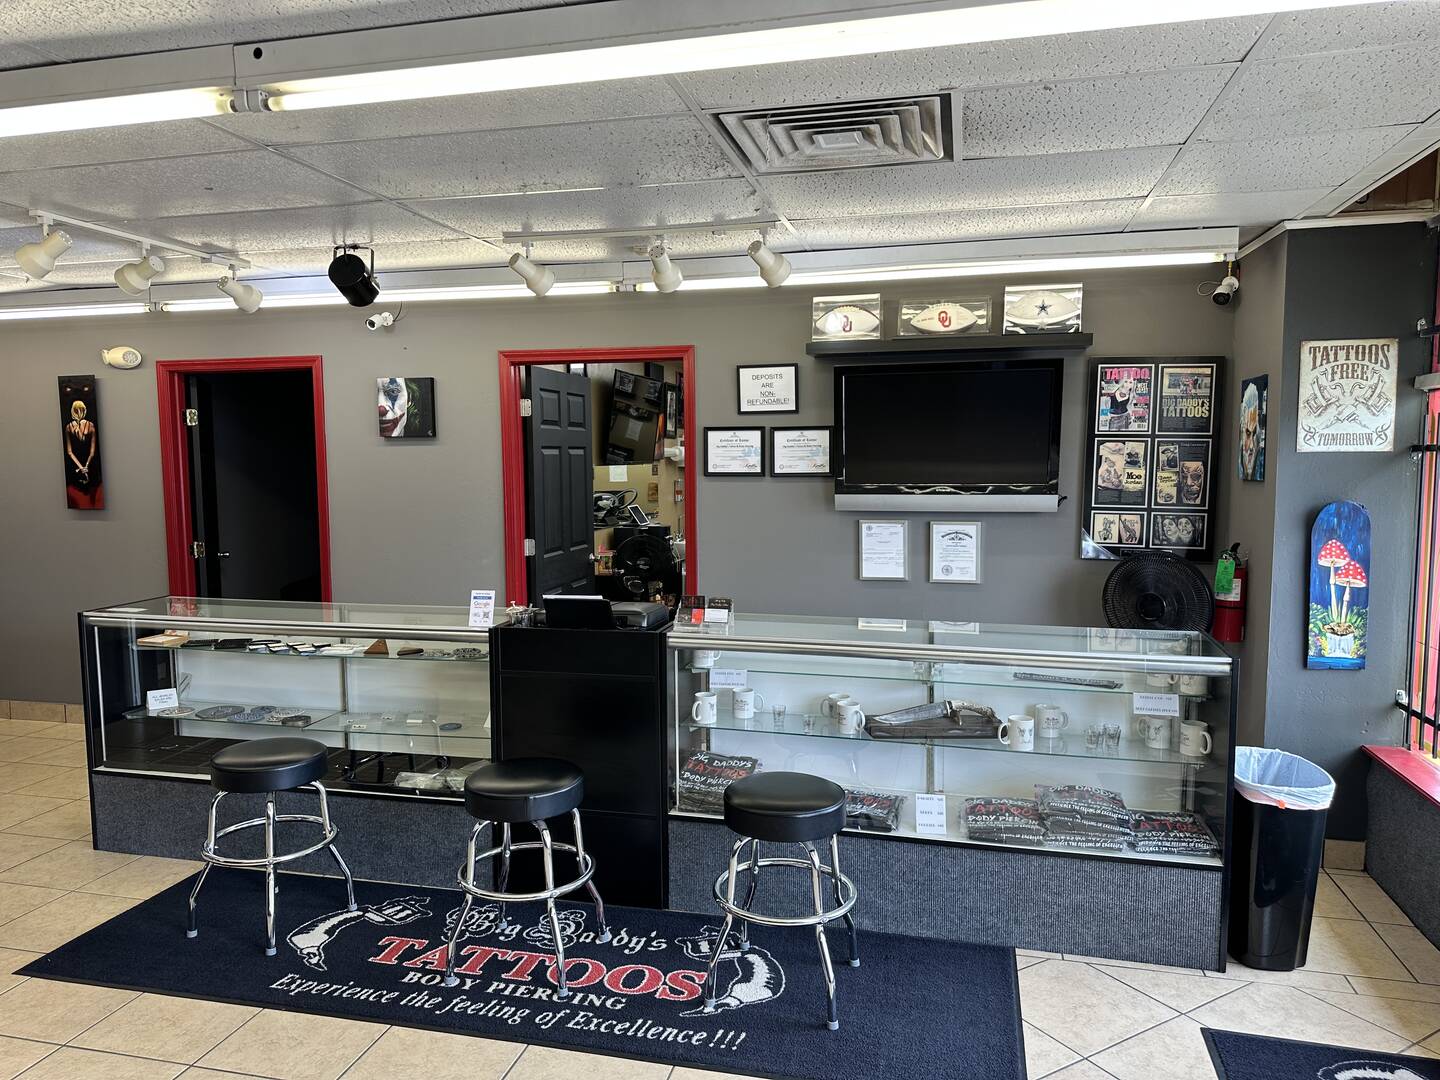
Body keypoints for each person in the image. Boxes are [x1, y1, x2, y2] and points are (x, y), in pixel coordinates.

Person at [64, 399, 103, 509]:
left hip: (78, 465)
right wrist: (85, 467)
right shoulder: (90, 425)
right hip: (87, 465)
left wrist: (81, 468)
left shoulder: (69, 427)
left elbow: (70, 452)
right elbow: (92, 452)